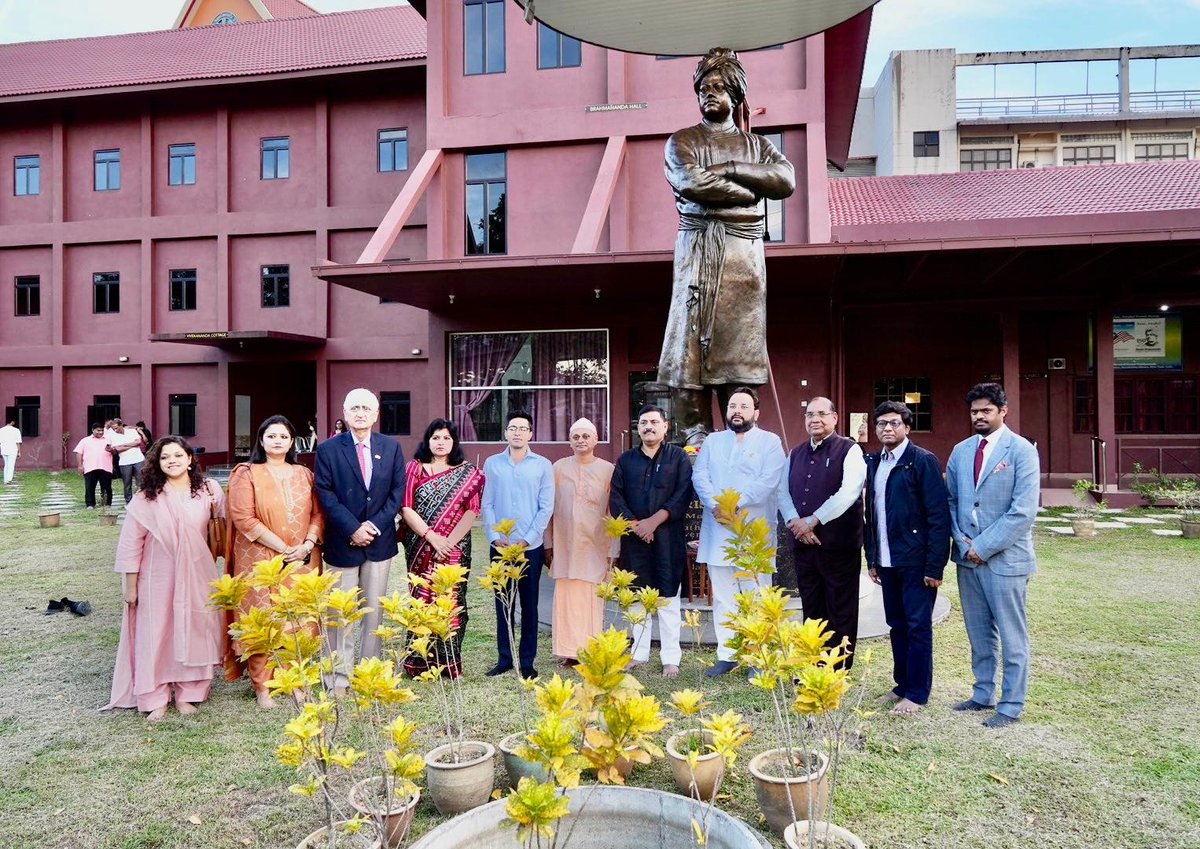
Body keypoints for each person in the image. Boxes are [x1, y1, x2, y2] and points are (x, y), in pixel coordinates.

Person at [658, 48, 795, 444]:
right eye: (704, 87)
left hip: (743, 257)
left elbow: (784, 181)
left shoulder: (757, 145)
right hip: (698, 250)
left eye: (719, 87)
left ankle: (742, 439)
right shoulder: (682, 141)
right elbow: (691, 182)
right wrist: (750, 194)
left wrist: (734, 169)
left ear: (736, 95)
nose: (710, 93)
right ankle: (693, 443)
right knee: (690, 349)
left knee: (739, 352)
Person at [104, 437, 225, 721]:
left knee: (195, 627)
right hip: (156, 575)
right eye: (165, 457)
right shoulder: (147, 497)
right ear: (156, 463)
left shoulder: (209, 490)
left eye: (178, 454)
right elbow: (131, 544)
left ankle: (189, 693)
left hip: (198, 574)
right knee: (155, 632)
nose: (172, 460)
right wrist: (130, 587)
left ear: (190, 458)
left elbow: (220, 527)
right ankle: (154, 695)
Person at [946, 383, 1039, 729]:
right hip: (967, 559)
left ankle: (1011, 704)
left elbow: (1023, 511)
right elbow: (952, 501)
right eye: (974, 411)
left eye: (986, 410)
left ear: (1003, 411)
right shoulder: (961, 451)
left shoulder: (1021, 451)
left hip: (1005, 559)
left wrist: (982, 547)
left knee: (1012, 636)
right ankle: (982, 692)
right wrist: (962, 541)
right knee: (978, 631)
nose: (979, 417)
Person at [224, 415, 324, 708]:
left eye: (283, 436)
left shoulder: (304, 474)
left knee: (299, 619)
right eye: (271, 436)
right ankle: (263, 686)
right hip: (261, 557)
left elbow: (318, 513)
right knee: (264, 619)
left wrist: (306, 544)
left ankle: (294, 681)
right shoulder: (247, 473)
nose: (277, 441)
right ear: (261, 440)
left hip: (303, 558)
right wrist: (283, 548)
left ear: (292, 442)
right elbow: (243, 517)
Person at [315, 388, 407, 695]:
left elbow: (397, 493)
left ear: (376, 414)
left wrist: (373, 526)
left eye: (367, 408)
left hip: (379, 545)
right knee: (340, 614)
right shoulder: (328, 450)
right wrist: (353, 528)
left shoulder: (391, 448)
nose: (361, 413)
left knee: (373, 613)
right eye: (354, 407)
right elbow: (325, 494)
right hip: (342, 543)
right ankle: (338, 679)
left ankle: (368, 675)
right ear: (344, 412)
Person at [863, 401, 951, 715]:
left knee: (917, 626)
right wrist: (872, 557)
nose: (887, 428)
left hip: (915, 561)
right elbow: (871, 516)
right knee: (896, 625)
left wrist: (934, 565)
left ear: (907, 428)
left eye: (894, 423)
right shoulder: (874, 463)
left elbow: (939, 517)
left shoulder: (922, 461)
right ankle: (901, 685)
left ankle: (917, 693)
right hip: (887, 560)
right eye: (882, 424)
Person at [692, 387, 786, 677]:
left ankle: (758, 658)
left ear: (756, 412)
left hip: (753, 530)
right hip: (718, 528)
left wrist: (735, 504)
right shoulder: (713, 441)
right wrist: (716, 505)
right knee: (723, 595)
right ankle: (728, 654)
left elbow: (768, 481)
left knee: (756, 594)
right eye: (733, 405)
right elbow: (700, 475)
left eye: (744, 406)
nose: (737, 410)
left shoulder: (770, 442)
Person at [779, 396, 867, 669]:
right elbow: (782, 492)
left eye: (821, 414)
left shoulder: (849, 450)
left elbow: (849, 493)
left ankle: (837, 666)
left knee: (840, 607)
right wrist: (796, 523)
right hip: (804, 544)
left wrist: (814, 520)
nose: (814, 419)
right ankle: (813, 661)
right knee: (812, 606)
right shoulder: (795, 453)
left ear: (835, 418)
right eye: (809, 414)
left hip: (838, 545)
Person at [609, 405, 694, 678]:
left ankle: (671, 658)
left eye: (654, 422)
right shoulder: (625, 461)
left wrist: (653, 522)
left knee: (668, 600)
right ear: (638, 428)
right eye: (643, 422)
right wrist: (637, 525)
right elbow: (616, 498)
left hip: (668, 540)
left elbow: (682, 495)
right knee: (637, 599)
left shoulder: (678, 457)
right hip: (635, 541)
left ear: (665, 426)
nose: (648, 426)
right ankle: (639, 653)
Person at [399, 418, 485, 678]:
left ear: (454, 442)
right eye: (436, 437)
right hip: (421, 544)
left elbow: (473, 511)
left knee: (452, 599)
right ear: (427, 440)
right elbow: (406, 507)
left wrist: (448, 542)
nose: (440, 442)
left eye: (446, 438)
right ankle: (419, 663)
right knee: (421, 599)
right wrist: (432, 537)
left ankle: (450, 663)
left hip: (456, 547)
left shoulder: (469, 473)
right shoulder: (414, 468)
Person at [481, 409, 554, 680]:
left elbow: (546, 507)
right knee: (503, 603)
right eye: (513, 428)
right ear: (506, 433)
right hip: (500, 546)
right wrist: (493, 536)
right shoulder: (492, 463)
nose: (517, 432)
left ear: (531, 433)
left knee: (529, 604)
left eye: (523, 428)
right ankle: (505, 658)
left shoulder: (542, 465)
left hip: (529, 547)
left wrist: (530, 538)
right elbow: (486, 503)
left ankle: (527, 662)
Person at [545, 418, 618, 668]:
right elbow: (548, 509)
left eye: (586, 436)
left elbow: (613, 511)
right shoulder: (558, 468)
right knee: (566, 597)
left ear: (596, 440)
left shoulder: (608, 469)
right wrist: (548, 544)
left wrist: (614, 549)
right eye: (576, 436)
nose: (581, 441)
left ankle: (590, 649)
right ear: (569, 440)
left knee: (591, 597)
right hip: (564, 544)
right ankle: (569, 652)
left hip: (596, 545)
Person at [74, 423, 114, 509]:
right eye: (98, 430)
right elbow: (78, 453)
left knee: (107, 487)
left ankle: (107, 503)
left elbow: (115, 452)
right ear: (93, 430)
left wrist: (111, 450)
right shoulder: (85, 440)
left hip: (105, 466)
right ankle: (90, 504)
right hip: (90, 467)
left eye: (102, 430)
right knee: (90, 487)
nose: (100, 432)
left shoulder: (108, 439)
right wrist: (80, 465)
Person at [107, 419, 146, 504]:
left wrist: (124, 445)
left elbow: (138, 442)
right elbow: (118, 449)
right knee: (127, 484)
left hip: (138, 459)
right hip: (124, 462)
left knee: (141, 482)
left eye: (116, 428)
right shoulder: (113, 436)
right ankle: (129, 502)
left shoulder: (131, 431)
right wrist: (132, 445)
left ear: (121, 425)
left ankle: (142, 501)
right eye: (113, 429)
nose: (115, 430)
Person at [0, 418, 20, 484]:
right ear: (12, 422)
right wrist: (19, 452)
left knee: (6, 464)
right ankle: (9, 479)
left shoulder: (1, 430)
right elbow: (18, 442)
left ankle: (5, 480)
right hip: (13, 449)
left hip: (3, 449)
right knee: (11, 464)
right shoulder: (16, 430)